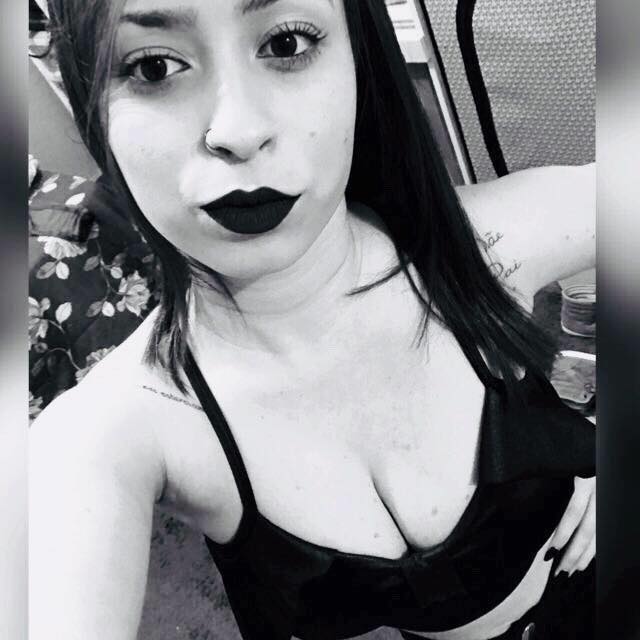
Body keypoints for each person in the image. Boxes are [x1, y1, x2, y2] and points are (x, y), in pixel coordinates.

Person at [30, 0, 596, 639]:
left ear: (359, 58)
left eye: (287, 44)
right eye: (154, 67)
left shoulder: (485, 249)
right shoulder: (117, 430)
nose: (239, 131)